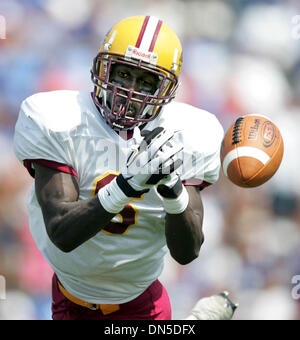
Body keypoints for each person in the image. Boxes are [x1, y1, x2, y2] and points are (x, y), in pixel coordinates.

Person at [13, 15, 237, 320]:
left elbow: (187, 252)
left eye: (146, 82)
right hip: (70, 295)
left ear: (165, 90)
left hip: (142, 301)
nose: (129, 91)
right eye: (122, 74)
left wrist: (173, 191)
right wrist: (128, 184)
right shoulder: (57, 119)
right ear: (101, 68)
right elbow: (62, 232)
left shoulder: (189, 132)